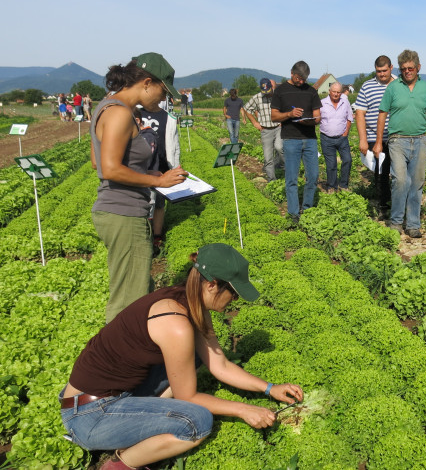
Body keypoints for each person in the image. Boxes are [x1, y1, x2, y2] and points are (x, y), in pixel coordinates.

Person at [59, 243, 304, 470]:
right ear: (212, 285)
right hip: (89, 416)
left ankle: (145, 425)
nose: (236, 300)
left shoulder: (188, 299)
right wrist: (244, 409)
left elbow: (219, 364)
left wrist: (269, 388)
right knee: (197, 421)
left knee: (197, 357)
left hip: (108, 396)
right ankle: (119, 464)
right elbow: (189, 396)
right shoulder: (175, 323)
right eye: (234, 292)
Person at [90, 52, 188, 323]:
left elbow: (95, 160)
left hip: (114, 210)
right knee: (127, 303)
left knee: (132, 288)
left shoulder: (107, 105)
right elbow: (108, 168)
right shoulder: (121, 113)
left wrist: (147, 171)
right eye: (162, 90)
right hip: (124, 212)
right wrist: (158, 181)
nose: (163, 98)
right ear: (146, 82)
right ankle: (116, 360)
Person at [374, 50, 426, 239]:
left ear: (418, 68)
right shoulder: (393, 88)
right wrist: (379, 141)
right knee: (400, 180)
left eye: (411, 68)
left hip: (420, 140)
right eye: (403, 69)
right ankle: (396, 221)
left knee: (417, 183)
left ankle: (412, 224)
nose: (407, 71)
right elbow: (382, 114)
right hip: (396, 140)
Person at [271, 61, 322, 222]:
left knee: (313, 176)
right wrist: (290, 114)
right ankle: (293, 213)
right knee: (291, 178)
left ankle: (306, 209)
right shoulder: (280, 91)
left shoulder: (311, 91)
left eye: (304, 79)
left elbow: (317, 116)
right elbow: (274, 116)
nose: (302, 82)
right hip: (290, 139)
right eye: (299, 78)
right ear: (292, 73)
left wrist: (310, 120)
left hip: (310, 140)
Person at [354, 55, 396, 212]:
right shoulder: (367, 86)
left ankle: (398, 202)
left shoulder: (400, 84)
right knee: (381, 172)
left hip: (396, 136)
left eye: (385, 71)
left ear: (391, 68)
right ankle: (384, 204)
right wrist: (363, 140)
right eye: (378, 71)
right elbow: (359, 113)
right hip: (374, 137)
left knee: (399, 172)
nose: (382, 74)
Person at [139, 102, 181, 255]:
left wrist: (175, 166)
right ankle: (144, 238)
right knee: (144, 203)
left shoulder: (167, 117)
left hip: (162, 166)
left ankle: (157, 236)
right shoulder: (135, 113)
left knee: (159, 204)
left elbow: (175, 145)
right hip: (142, 167)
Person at [244, 78, 284, 181]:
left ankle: (288, 169)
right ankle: (272, 180)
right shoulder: (257, 97)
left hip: (278, 127)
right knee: (268, 157)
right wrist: (254, 122)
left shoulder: (279, 95)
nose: (267, 93)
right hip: (265, 130)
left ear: (272, 87)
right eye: (264, 92)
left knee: (279, 147)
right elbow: (247, 109)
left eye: (268, 91)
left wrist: (283, 121)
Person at [319, 81, 353, 192]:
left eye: (338, 92)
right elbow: (316, 119)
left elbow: (349, 118)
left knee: (347, 160)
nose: (336, 94)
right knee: (331, 164)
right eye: (334, 91)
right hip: (326, 138)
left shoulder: (345, 102)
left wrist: (346, 132)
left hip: (342, 138)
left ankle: (343, 185)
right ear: (330, 91)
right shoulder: (322, 103)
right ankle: (331, 186)